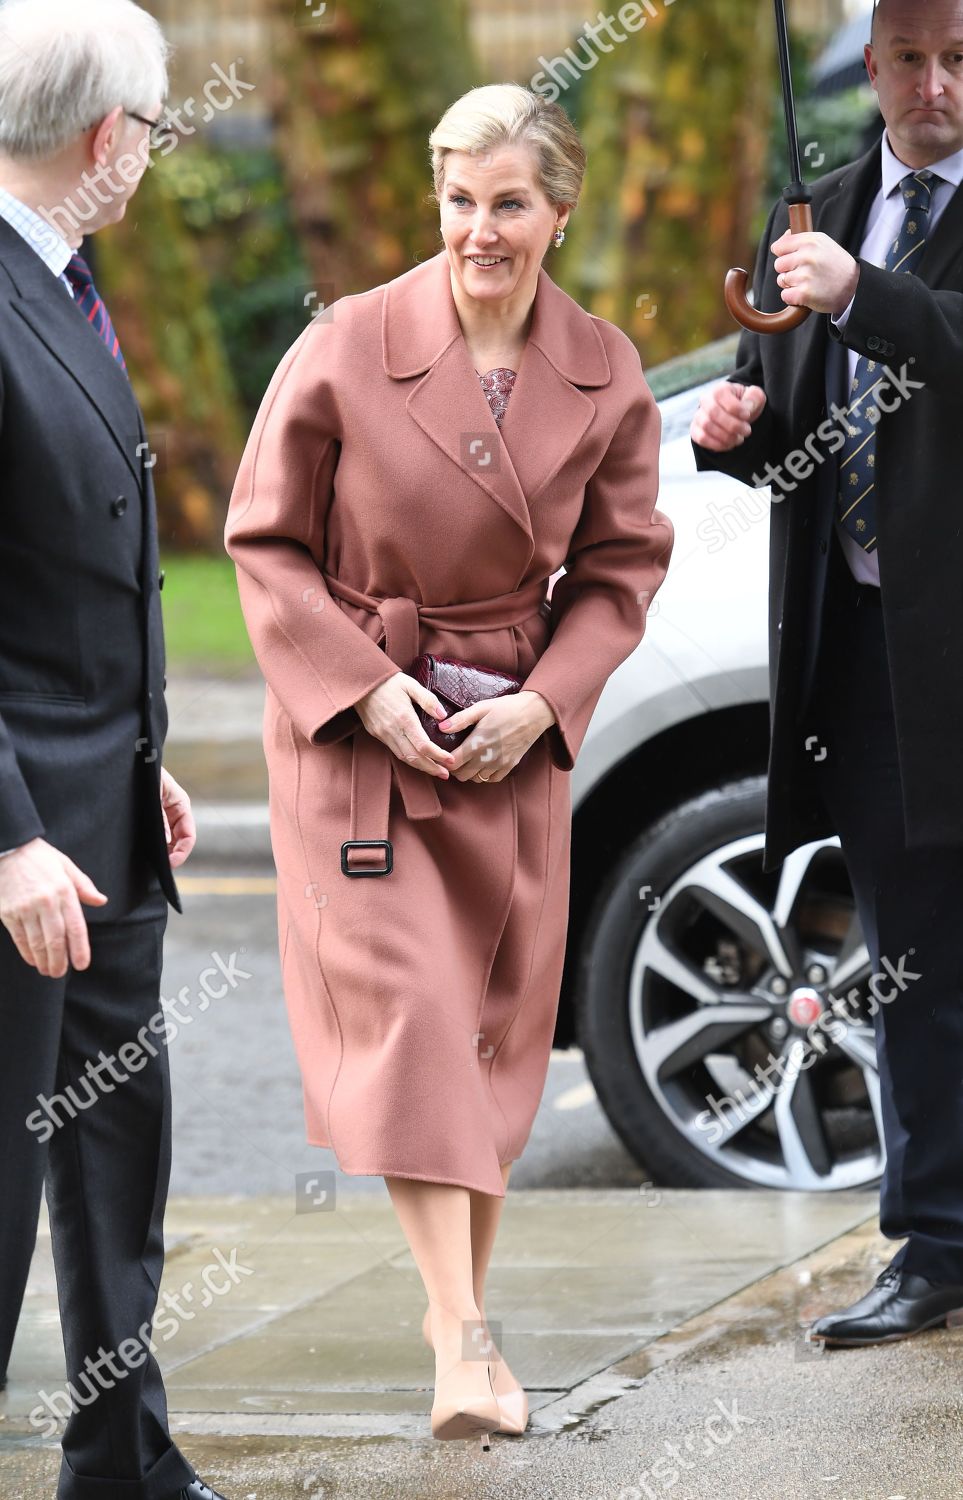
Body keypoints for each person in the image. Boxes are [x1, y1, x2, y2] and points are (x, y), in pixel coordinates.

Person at [224, 82, 672, 1445]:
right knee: (418, 1023)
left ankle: (454, 1323)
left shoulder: (607, 372)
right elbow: (264, 543)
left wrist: (544, 707)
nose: (480, 229)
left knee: (486, 1051)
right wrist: (364, 693)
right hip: (366, 745)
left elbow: (620, 568)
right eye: (459, 199)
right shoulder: (347, 346)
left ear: (559, 208)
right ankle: (466, 1336)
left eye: (509, 202)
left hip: (509, 745)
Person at [691, 0, 963, 1346]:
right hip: (867, 661)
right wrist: (740, 424)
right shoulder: (819, 209)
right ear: (873, 67)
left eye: (961, 59)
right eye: (912, 58)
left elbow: (947, 351)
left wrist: (863, 293)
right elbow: (788, 390)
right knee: (912, 960)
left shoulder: (858, 251)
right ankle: (936, 1246)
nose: (936, 84)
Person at [0, 2, 227, 1496]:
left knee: (113, 1174)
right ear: (104, 140)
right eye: (151, 128)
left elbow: (73, 565)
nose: (150, 155)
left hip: (110, 820)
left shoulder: (64, 284)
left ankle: (124, 1467)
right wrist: (8, 835)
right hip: (26, 852)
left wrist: (145, 751)